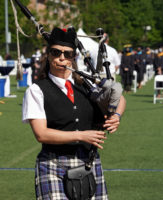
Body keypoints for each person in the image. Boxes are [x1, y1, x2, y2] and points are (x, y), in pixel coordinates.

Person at [22, 27, 126, 200]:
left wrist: (116, 116)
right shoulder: (36, 90)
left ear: (73, 58)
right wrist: (81, 135)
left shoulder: (87, 84)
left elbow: (118, 98)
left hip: (88, 163)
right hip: (52, 165)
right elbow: (41, 134)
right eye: (56, 52)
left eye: (67, 54)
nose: (62, 58)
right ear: (48, 56)